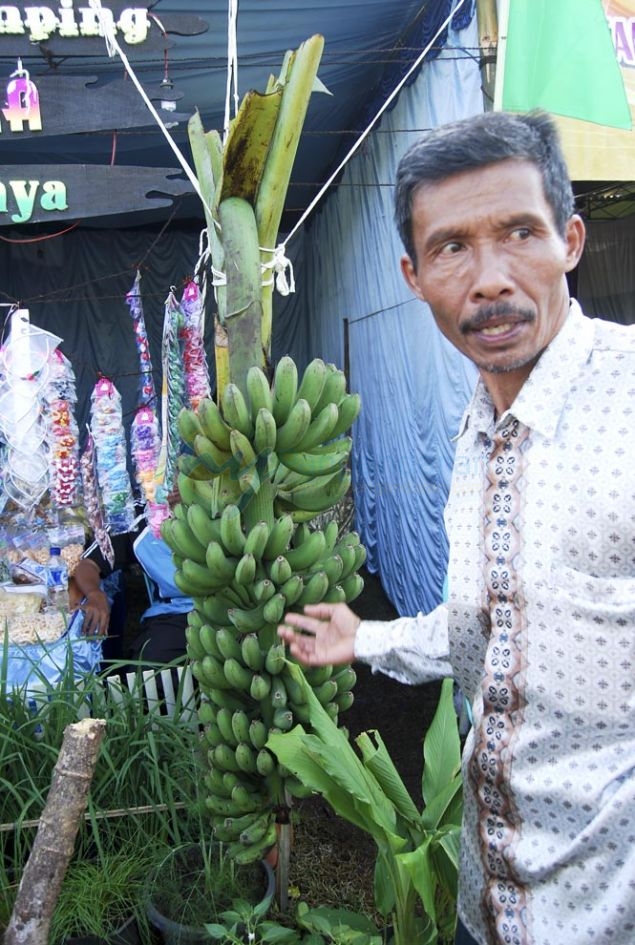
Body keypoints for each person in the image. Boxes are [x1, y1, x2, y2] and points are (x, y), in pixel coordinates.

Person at [278, 110, 635, 945]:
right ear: (412, 273)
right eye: (451, 248)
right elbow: (503, 621)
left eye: (519, 232)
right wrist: (362, 639)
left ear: (570, 241)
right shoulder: (477, 433)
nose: (488, 279)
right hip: (493, 906)